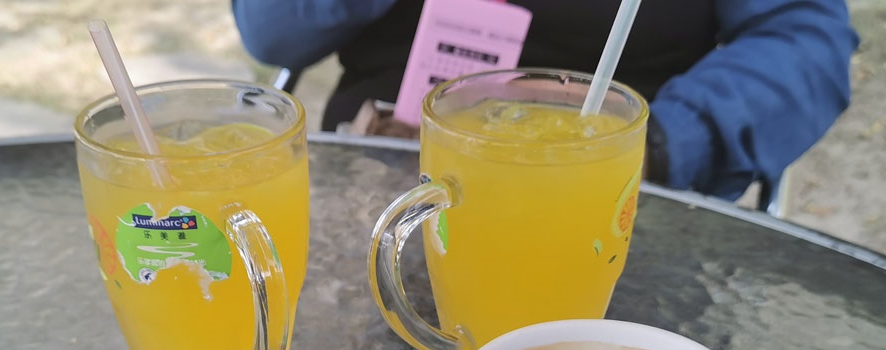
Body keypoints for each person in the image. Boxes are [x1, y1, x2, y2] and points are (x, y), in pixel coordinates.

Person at [231, 0, 858, 200]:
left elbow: (806, 43)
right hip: (374, 177)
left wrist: (662, 145)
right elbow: (271, 29)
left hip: (603, 192)